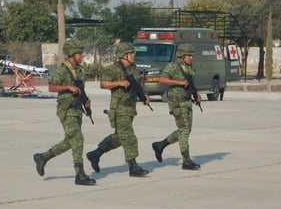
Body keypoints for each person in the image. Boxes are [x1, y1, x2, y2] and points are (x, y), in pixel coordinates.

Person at [33, 39, 96, 185]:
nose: (81, 55)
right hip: (66, 110)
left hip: (77, 109)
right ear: (72, 54)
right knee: (78, 139)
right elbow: (51, 87)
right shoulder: (62, 70)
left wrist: (85, 100)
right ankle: (79, 174)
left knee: (71, 141)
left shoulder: (80, 70)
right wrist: (68, 87)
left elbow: (81, 89)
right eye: (79, 53)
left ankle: (43, 157)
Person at [86, 42, 150, 177]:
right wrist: (119, 83)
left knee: (119, 137)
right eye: (131, 53)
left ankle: (95, 154)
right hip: (119, 108)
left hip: (130, 108)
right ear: (124, 55)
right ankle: (133, 165)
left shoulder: (134, 69)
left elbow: (138, 87)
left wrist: (144, 97)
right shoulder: (113, 69)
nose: (133, 55)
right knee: (129, 137)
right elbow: (103, 84)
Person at [151, 43, 201, 170]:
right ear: (181, 55)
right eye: (189, 55)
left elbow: (190, 83)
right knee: (184, 130)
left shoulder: (189, 67)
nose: (191, 57)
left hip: (187, 101)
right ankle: (186, 160)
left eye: (191, 55)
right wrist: (178, 82)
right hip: (177, 102)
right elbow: (162, 79)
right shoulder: (173, 66)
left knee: (186, 130)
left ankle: (161, 145)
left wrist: (196, 94)